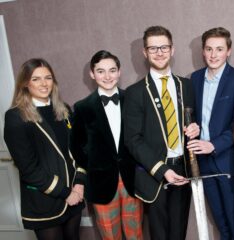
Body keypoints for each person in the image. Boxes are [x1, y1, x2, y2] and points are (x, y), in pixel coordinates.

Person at [123, 26, 199, 240]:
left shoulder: (187, 86)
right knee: (160, 235)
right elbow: (133, 139)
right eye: (153, 48)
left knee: (178, 232)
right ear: (144, 53)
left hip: (183, 170)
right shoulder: (135, 92)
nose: (159, 52)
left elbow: (193, 122)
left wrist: (196, 128)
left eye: (164, 47)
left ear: (172, 50)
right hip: (154, 174)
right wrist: (162, 169)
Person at [3, 58, 85, 240]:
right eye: (36, 79)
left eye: (48, 78)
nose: (43, 83)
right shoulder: (15, 117)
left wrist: (79, 182)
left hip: (75, 195)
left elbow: (79, 150)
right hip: (45, 201)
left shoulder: (64, 110)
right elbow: (28, 169)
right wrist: (65, 193)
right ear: (25, 83)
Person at [70, 50, 143, 240]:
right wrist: (95, 166)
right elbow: (76, 147)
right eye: (101, 71)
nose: (107, 76)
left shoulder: (134, 99)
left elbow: (143, 137)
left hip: (132, 179)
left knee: (136, 233)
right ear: (92, 74)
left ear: (119, 72)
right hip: (100, 182)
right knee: (110, 235)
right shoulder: (82, 107)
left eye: (112, 70)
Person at [188, 27, 234, 240]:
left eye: (219, 49)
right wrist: (193, 126)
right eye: (209, 49)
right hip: (202, 162)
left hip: (227, 159)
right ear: (203, 51)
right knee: (220, 221)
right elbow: (194, 116)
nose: (213, 55)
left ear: (228, 51)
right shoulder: (195, 78)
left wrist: (215, 144)